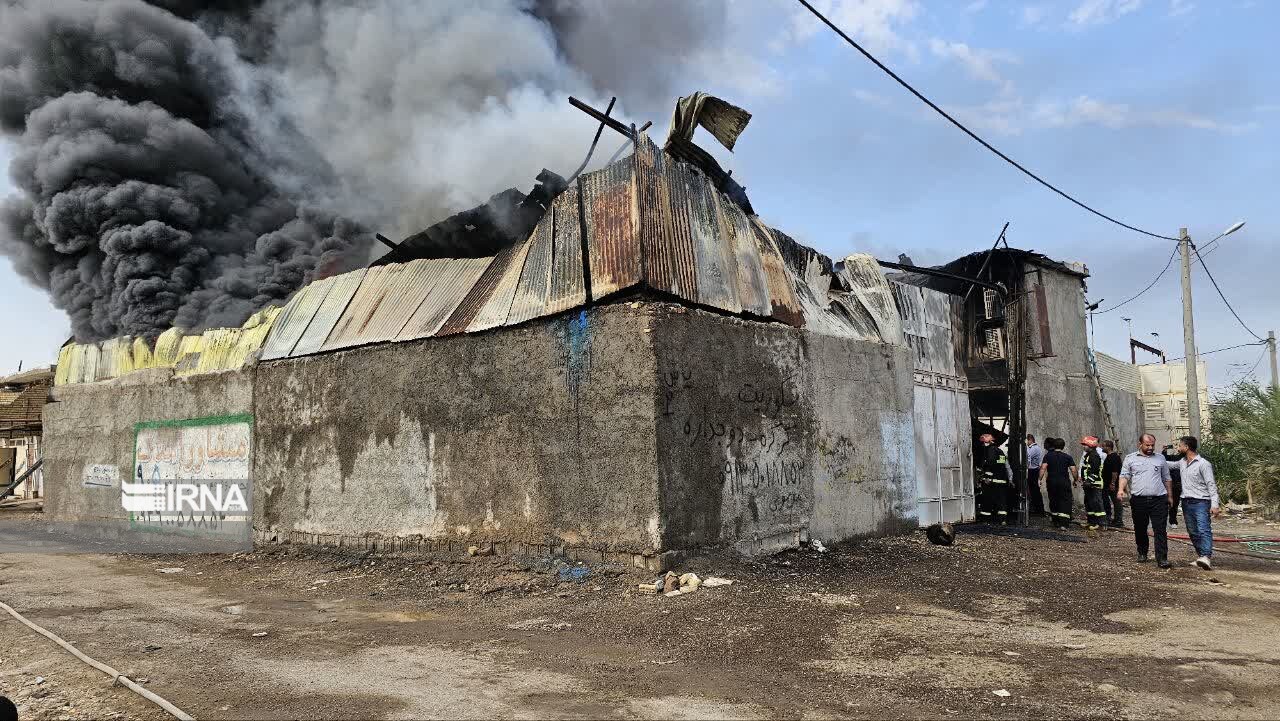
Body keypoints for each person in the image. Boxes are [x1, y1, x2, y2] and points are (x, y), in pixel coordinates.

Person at [1119, 434, 1174, 568]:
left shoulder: (1160, 459)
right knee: (1140, 528)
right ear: (1140, 444)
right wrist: (1120, 489)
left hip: (1159, 499)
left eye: (1152, 445)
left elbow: (1167, 478)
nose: (1150, 448)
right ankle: (1142, 552)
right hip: (1139, 500)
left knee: (1160, 529)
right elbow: (1125, 475)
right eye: (1147, 445)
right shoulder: (1130, 458)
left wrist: (1170, 496)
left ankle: (1162, 558)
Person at [1165, 436, 1221, 570]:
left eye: (1180, 446)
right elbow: (1169, 465)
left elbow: (1211, 484)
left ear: (1187, 447)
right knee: (1192, 531)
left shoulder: (1203, 464)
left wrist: (1215, 504)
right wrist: (1154, 457)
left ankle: (1206, 556)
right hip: (1186, 502)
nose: (1178, 448)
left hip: (1201, 502)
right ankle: (1201, 556)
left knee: (1203, 529)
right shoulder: (1182, 462)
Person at [1039, 437, 1078, 529]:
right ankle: (1063, 524)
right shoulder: (1068, 457)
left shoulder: (1048, 456)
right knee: (1065, 500)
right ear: (1063, 446)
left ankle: (1055, 521)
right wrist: (1075, 479)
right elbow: (1073, 470)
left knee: (1053, 500)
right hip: (1064, 481)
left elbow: (1043, 468)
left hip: (1051, 482)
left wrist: (1039, 479)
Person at [976, 433, 1011, 524]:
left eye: (983, 443)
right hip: (1002, 481)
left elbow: (990, 465)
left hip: (991, 482)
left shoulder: (989, 451)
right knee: (1001, 502)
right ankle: (1002, 520)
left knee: (987, 501)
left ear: (987, 442)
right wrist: (1010, 479)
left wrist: (985, 476)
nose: (983, 445)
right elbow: (1003, 465)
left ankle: (985, 520)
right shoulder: (1001, 452)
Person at [1078, 436, 1107, 537]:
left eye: (1085, 445)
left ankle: (1101, 523)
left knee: (1097, 503)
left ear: (1090, 445)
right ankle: (1092, 522)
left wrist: (1089, 481)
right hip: (1089, 484)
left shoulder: (1094, 456)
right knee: (1089, 503)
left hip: (1095, 484)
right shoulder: (1089, 455)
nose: (1083, 447)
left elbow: (1094, 471)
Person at [1102, 440, 1124, 528]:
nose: (1102, 448)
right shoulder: (1109, 456)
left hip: (1113, 484)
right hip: (1108, 483)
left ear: (1108, 447)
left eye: (1103, 446)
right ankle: (1114, 520)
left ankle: (1118, 521)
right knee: (1113, 501)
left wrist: (1113, 483)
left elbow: (1114, 472)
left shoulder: (1114, 457)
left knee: (1117, 502)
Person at [1162, 444, 1184, 527]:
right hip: (1167, 483)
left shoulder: (1182, 458)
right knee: (1164, 503)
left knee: (1174, 504)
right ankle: (1163, 521)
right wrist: (1164, 452)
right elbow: (1163, 461)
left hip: (1177, 484)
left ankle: (1173, 521)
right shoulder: (1169, 457)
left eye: (1179, 446)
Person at [1025, 434, 1046, 517]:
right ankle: (1037, 509)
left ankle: (1039, 510)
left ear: (1030, 440)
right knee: (1033, 491)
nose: (1026, 443)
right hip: (1033, 470)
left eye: (1027, 440)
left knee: (1035, 491)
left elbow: (1028, 458)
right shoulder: (1035, 448)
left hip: (1033, 471)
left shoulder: (1033, 448)